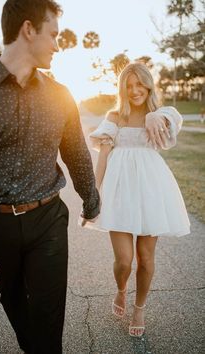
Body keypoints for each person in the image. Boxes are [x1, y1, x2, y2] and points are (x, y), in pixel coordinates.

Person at [0, 0, 100, 353]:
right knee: (16, 307)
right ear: (28, 29)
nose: (58, 45)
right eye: (53, 35)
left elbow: (76, 153)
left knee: (47, 313)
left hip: (48, 220)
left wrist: (91, 200)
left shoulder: (60, 95)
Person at [87, 63, 190, 337]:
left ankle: (139, 307)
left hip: (150, 191)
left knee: (145, 258)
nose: (134, 91)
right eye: (128, 86)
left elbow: (175, 116)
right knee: (124, 261)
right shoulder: (115, 116)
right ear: (122, 89)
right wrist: (94, 196)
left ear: (148, 85)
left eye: (139, 84)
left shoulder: (157, 115)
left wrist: (157, 116)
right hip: (120, 192)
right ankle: (121, 290)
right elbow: (103, 158)